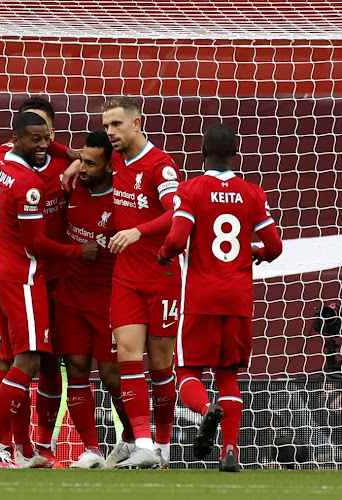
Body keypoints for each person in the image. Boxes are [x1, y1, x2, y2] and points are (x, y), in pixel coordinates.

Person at [0, 112, 97, 468]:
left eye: (47, 138)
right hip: (25, 277)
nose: (43, 146)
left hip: (5, 274)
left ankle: (27, 450)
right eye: (35, 139)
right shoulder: (29, 184)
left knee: (25, 360)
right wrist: (78, 251)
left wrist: (68, 153)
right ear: (18, 139)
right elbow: (37, 243)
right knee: (26, 360)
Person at [157, 123, 282, 472]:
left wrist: (165, 252)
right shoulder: (253, 193)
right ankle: (230, 451)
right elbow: (274, 247)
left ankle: (203, 409)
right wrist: (257, 251)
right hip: (239, 300)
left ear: (202, 152)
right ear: (236, 154)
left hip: (200, 298)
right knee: (228, 375)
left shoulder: (191, 189)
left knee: (185, 370)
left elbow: (178, 238)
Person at [102, 96, 182, 469]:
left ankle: (163, 448)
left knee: (162, 365)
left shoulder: (161, 166)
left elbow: (177, 213)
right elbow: (74, 151)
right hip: (126, 277)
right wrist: (71, 167)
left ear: (137, 123)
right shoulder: (114, 158)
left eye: (116, 125)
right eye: (106, 126)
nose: (110, 132)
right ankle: (143, 444)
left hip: (162, 275)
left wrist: (137, 230)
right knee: (127, 357)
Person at [54, 130, 135, 469]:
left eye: (90, 163)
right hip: (70, 297)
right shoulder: (70, 188)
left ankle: (133, 440)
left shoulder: (123, 201)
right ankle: (91, 450)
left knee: (111, 374)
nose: (81, 167)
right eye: (80, 160)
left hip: (109, 298)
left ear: (110, 167)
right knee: (75, 369)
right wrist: (74, 162)